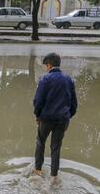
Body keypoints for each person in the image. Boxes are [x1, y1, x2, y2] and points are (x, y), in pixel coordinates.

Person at [33, 53, 77, 184]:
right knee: (56, 147)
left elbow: (38, 101)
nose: (46, 68)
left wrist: (37, 115)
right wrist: (68, 116)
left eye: (46, 66)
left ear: (49, 65)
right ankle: (54, 176)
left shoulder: (45, 79)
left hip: (46, 119)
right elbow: (74, 102)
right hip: (63, 119)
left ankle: (38, 171)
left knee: (40, 143)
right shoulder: (68, 79)